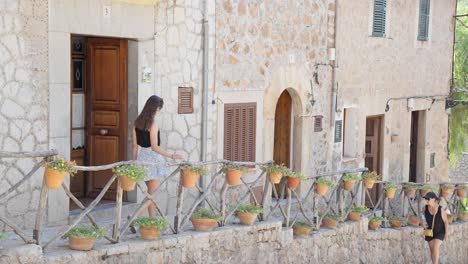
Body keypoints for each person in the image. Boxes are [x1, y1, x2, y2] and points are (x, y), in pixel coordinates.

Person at [133, 95, 184, 218]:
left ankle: (152, 220)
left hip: (142, 159)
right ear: (154, 109)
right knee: (152, 195)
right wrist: (172, 156)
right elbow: (154, 147)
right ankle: (133, 219)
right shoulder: (153, 125)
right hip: (153, 161)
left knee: (151, 194)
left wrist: (134, 163)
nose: (159, 111)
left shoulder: (136, 122)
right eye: (159, 109)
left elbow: (134, 145)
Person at [422, 191, 448, 264]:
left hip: (440, 231)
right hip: (429, 231)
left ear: (434, 199)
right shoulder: (425, 208)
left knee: (436, 247)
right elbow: (422, 215)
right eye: (426, 199)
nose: (426, 200)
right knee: (432, 250)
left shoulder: (441, 209)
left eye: (428, 199)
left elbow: (446, 222)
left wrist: (446, 235)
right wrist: (423, 222)